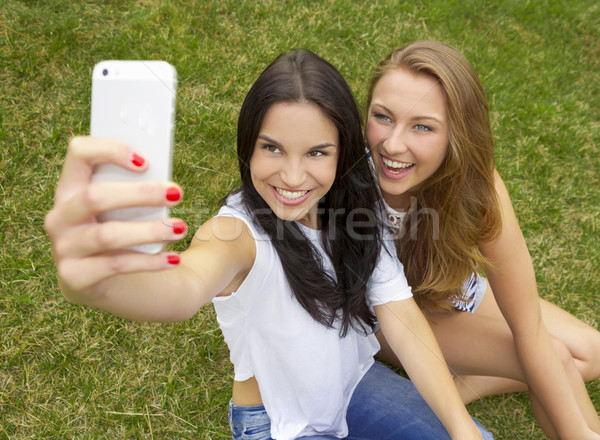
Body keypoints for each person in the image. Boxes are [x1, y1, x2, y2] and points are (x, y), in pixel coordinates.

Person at [44, 49, 493, 440]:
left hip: (353, 385)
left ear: (343, 151)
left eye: (317, 152)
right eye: (272, 148)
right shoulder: (236, 234)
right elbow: (182, 290)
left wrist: (461, 431)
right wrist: (93, 286)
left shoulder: (357, 211)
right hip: (281, 424)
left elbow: (403, 322)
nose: (293, 178)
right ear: (248, 147)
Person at [364, 40, 600, 440]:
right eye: (383, 117)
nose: (393, 144)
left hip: (455, 293)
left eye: (422, 126)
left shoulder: (476, 187)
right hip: (388, 318)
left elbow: (529, 329)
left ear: (457, 133)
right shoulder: (344, 179)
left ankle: (464, 382)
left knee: (591, 353)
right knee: (556, 359)